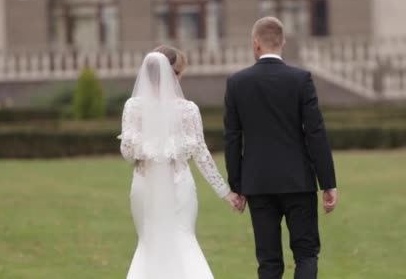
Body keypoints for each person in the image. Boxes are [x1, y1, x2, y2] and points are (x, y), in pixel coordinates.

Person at [224, 17, 338, 279]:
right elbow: (315, 133)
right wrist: (328, 183)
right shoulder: (301, 79)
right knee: (306, 254)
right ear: (283, 42)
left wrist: (237, 185)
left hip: (258, 183)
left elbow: (232, 137)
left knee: (269, 261)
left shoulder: (237, 83)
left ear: (256, 44)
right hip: (298, 180)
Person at [119, 45, 242, 279]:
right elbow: (202, 155)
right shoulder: (187, 110)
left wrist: (146, 148)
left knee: (151, 242)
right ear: (174, 74)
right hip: (177, 183)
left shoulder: (133, 107)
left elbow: (126, 152)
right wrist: (226, 192)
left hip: (145, 182)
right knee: (181, 239)